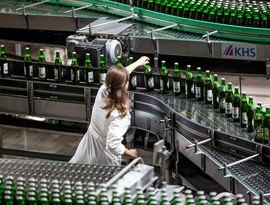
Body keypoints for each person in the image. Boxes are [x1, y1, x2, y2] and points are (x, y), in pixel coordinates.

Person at [69, 56, 150, 165]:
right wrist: (129, 152)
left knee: (79, 174)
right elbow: (113, 144)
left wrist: (137, 63)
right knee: (105, 179)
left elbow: (120, 76)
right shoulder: (119, 114)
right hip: (104, 155)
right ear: (125, 84)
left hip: (88, 145)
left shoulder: (103, 90)